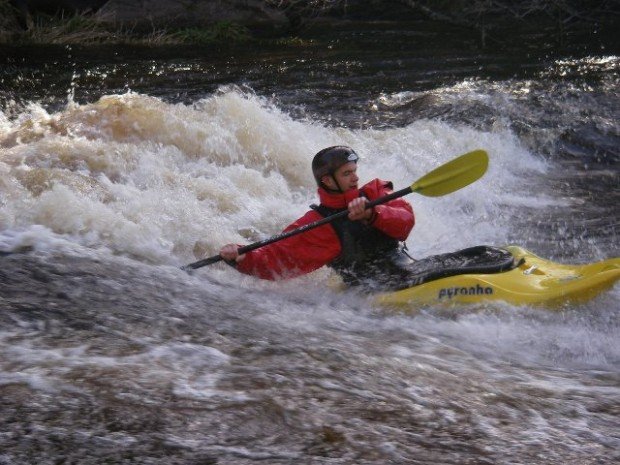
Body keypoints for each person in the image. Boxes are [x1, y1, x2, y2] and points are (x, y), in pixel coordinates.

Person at [219, 146, 415, 291]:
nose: (355, 178)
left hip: (408, 270)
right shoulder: (319, 224)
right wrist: (241, 257)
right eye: (347, 174)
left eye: (354, 171)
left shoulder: (375, 193)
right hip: (372, 291)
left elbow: (405, 222)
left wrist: (373, 214)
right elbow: (276, 258)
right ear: (328, 181)